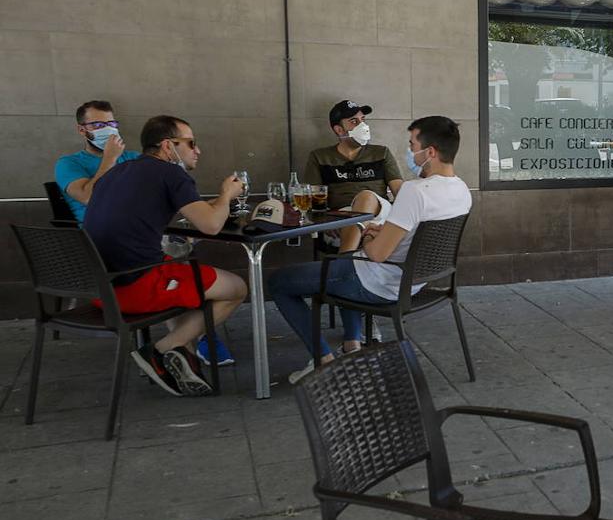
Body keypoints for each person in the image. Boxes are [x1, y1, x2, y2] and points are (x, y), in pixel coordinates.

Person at [271, 115, 472, 376]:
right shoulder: (462, 190)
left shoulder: (415, 191)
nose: (410, 151)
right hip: (417, 282)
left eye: (412, 145)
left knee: (279, 282)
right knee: (345, 263)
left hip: (380, 284)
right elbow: (414, 237)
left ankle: (324, 361)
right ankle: (351, 344)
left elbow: (377, 255)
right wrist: (382, 232)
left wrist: (367, 234)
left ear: (430, 152)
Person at [84, 115, 249, 396]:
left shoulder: (115, 172)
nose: (198, 150)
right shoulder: (173, 174)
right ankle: (161, 350)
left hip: (98, 287)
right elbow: (210, 225)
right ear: (167, 146)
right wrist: (226, 194)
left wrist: (208, 205)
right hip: (133, 286)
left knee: (183, 267)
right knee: (236, 288)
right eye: (190, 143)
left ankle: (183, 353)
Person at [303, 99, 403, 243]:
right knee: (355, 221)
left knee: (366, 197)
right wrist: (325, 222)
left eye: (363, 120)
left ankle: (347, 255)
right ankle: (361, 246)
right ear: (339, 130)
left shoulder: (381, 153)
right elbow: (312, 199)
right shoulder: (320, 157)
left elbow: (399, 191)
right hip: (342, 217)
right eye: (354, 121)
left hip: (380, 213)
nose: (363, 126)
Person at [54, 100, 141, 222]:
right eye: (98, 125)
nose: (108, 129)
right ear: (82, 130)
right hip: (98, 232)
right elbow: (88, 197)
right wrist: (110, 158)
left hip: (138, 227)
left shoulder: (133, 158)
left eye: (111, 124)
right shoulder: (68, 163)